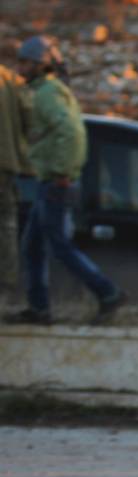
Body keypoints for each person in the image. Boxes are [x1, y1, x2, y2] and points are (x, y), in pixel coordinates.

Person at [3, 36, 126, 325]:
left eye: (25, 62)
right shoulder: (47, 91)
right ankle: (39, 308)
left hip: (56, 183)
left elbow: (70, 133)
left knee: (59, 246)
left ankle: (107, 292)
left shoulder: (47, 95)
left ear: (40, 64)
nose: (20, 68)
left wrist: (62, 172)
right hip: (49, 180)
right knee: (32, 246)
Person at [0, 60, 30, 301]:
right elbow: (31, 115)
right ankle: (6, 286)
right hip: (7, 164)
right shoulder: (10, 79)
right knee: (7, 226)